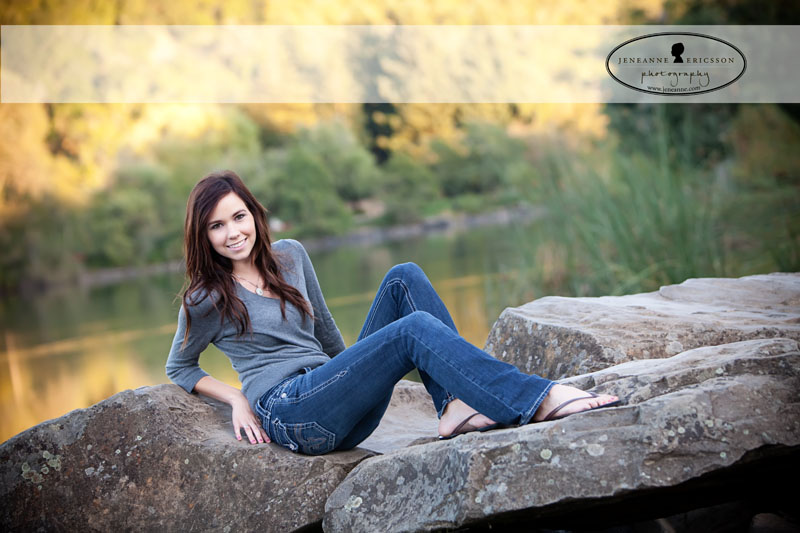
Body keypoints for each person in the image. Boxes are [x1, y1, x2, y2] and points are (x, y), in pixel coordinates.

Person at [166, 170, 619, 455]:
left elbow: (327, 336)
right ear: (203, 235)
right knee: (413, 330)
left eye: (239, 217)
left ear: (254, 215)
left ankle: (453, 406)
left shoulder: (290, 256)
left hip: (331, 398)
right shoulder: (206, 298)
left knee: (404, 276)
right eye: (217, 226)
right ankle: (535, 399)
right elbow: (179, 366)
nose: (232, 233)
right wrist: (237, 399)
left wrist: (356, 375)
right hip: (291, 414)